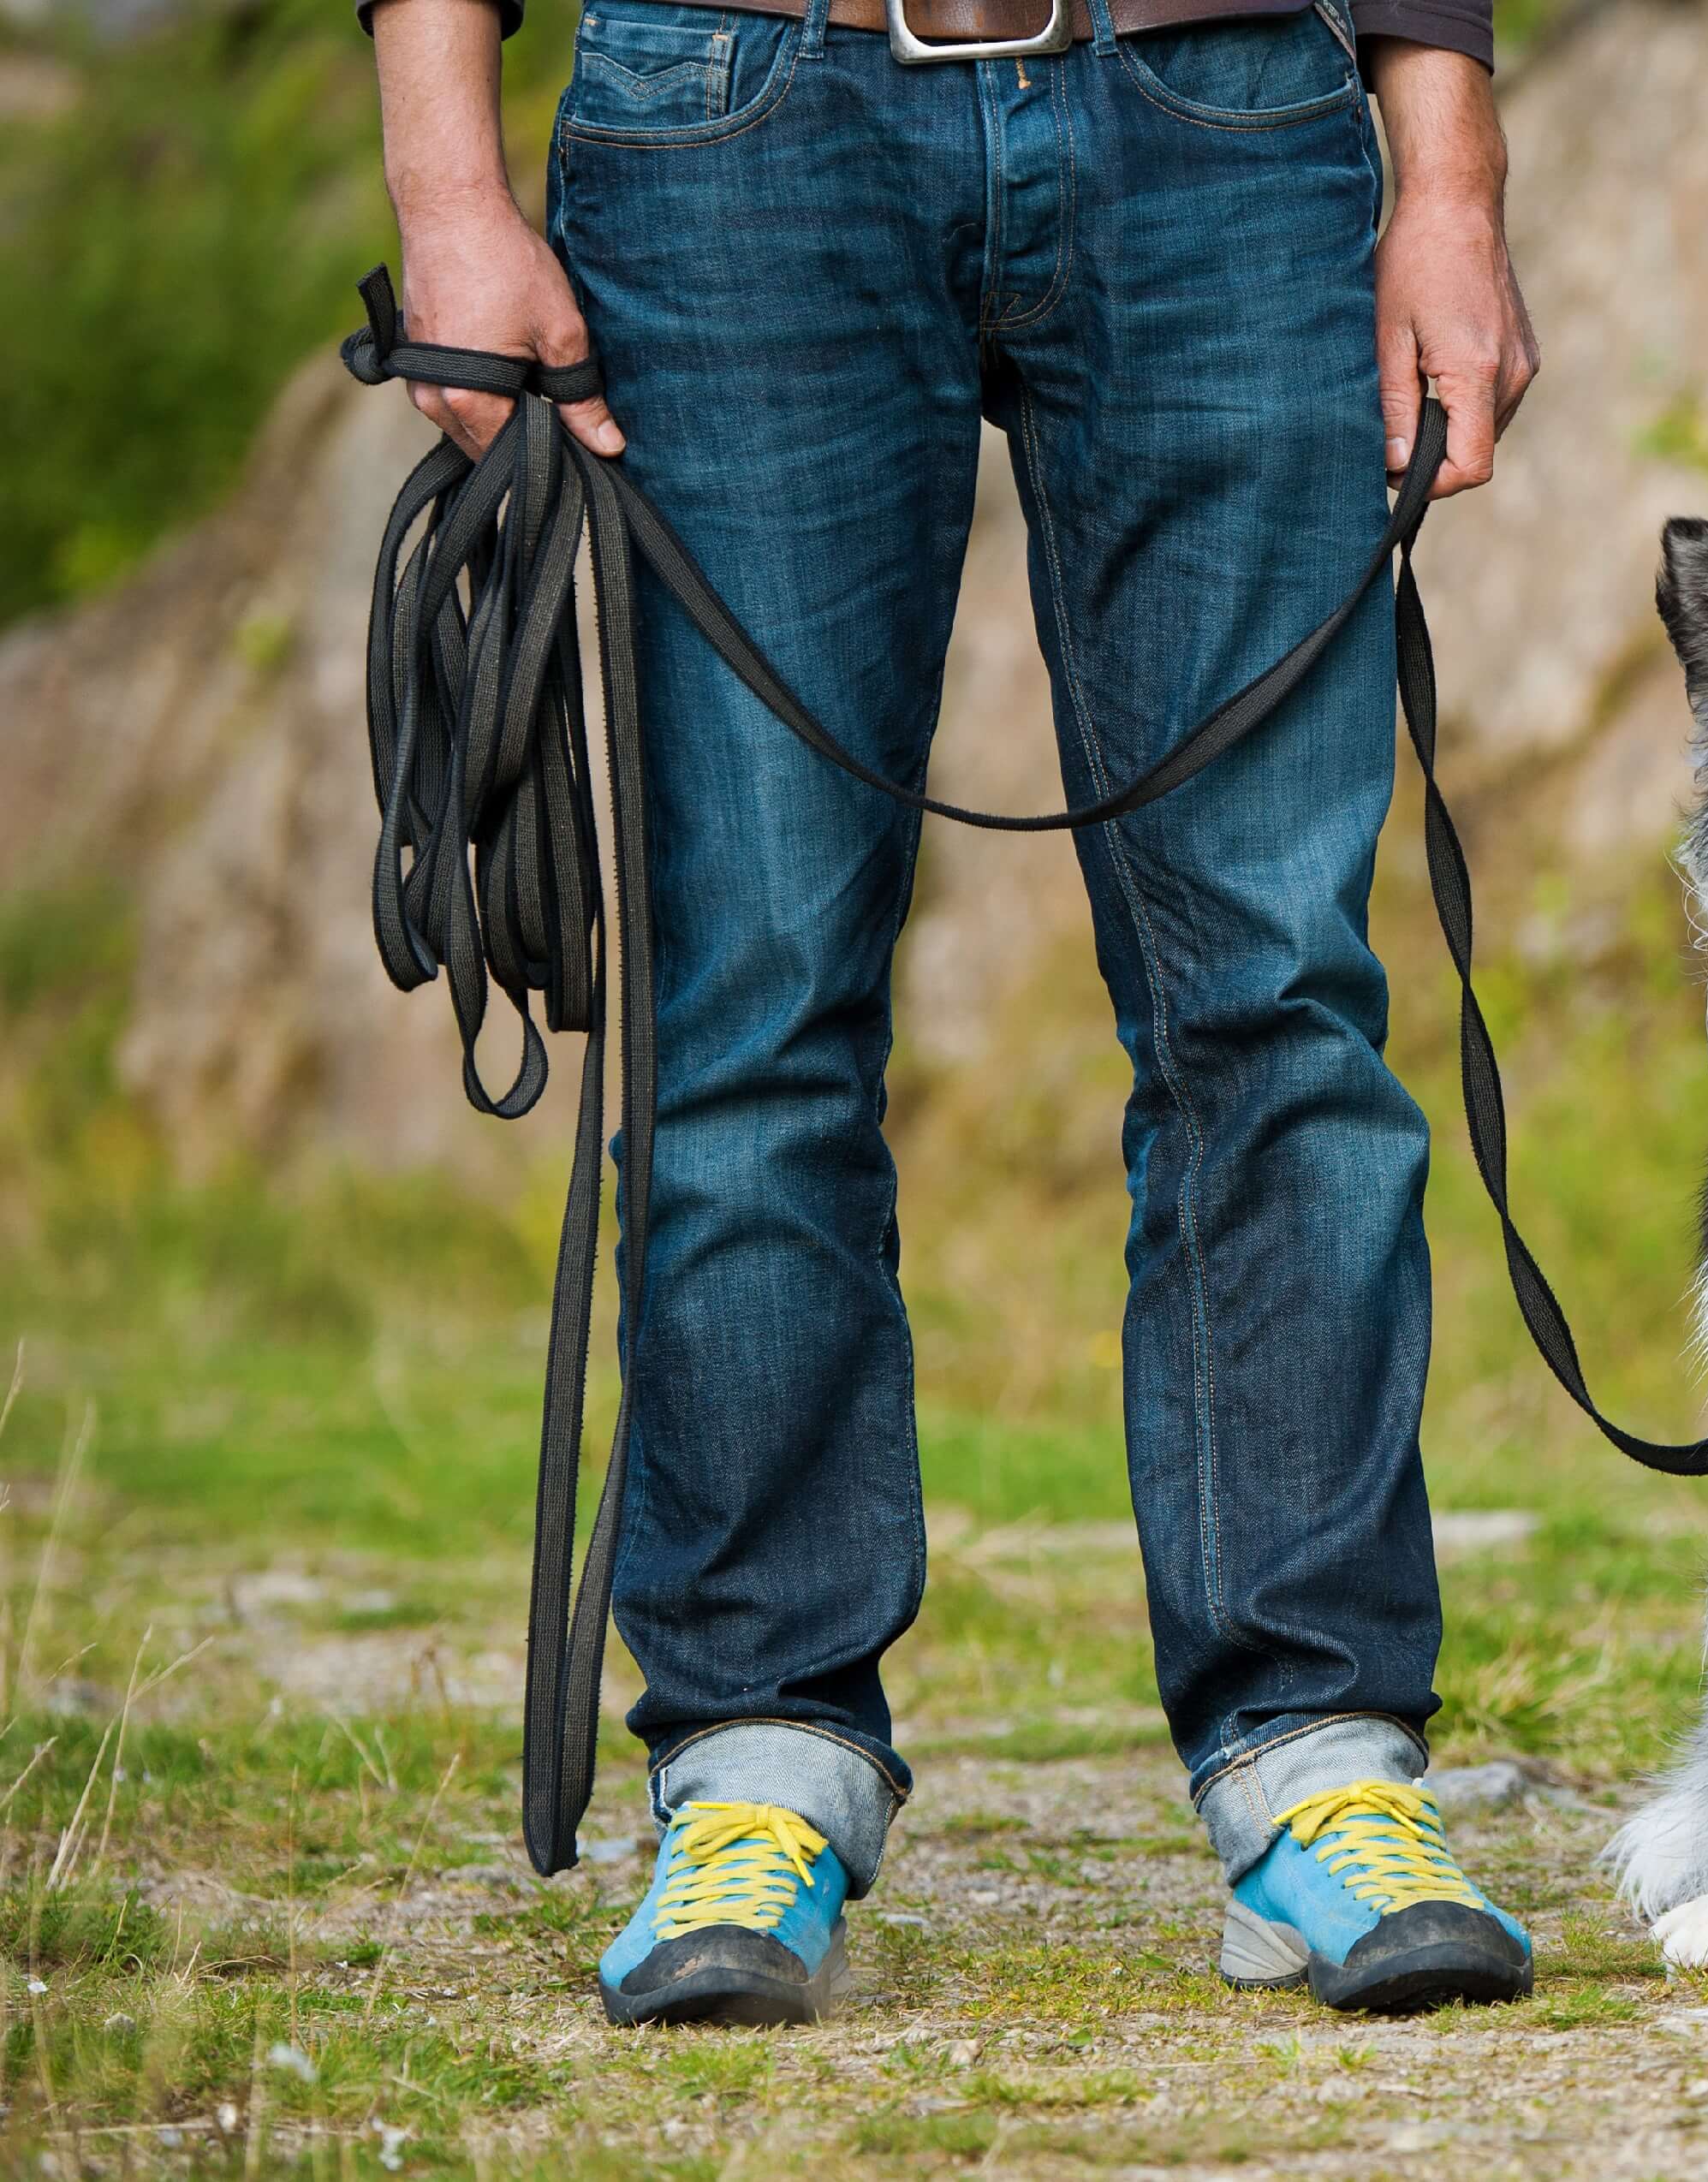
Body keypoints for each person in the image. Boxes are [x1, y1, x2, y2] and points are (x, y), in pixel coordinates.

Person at [361, 0, 1541, 2024]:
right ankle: (757, 1760)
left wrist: (1446, 172)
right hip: (736, 113)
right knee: (748, 1015)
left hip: (1225, 94)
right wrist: (445, 183)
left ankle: (1319, 1761)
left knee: (1273, 1000)